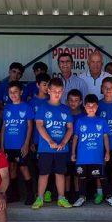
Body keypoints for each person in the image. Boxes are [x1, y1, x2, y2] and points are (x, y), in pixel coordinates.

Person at [32, 78, 74, 209]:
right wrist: (50, 141)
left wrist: (63, 142)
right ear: (48, 90)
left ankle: (61, 198)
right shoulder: (43, 107)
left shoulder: (65, 109)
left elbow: (70, 128)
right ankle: (39, 198)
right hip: (45, 148)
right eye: (54, 91)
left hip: (61, 149)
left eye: (60, 91)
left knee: (60, 173)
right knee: (44, 173)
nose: (57, 93)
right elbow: (39, 125)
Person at [71, 94, 112, 207]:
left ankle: (109, 197)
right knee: (82, 177)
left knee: (102, 177)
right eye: (88, 106)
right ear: (84, 106)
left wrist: (107, 152)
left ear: (97, 107)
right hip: (82, 157)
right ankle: (81, 197)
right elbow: (76, 137)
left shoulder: (101, 121)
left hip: (97, 156)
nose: (91, 108)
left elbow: (105, 137)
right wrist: (73, 152)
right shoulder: (80, 121)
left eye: (93, 106)